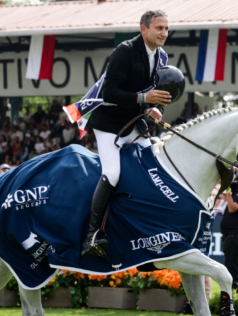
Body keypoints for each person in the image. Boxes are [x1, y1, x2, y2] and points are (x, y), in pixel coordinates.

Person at [82, 10, 172, 257]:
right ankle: (91, 235)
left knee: (154, 170)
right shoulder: (124, 51)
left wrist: (155, 108)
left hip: (134, 124)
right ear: (143, 29)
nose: (164, 33)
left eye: (166, 28)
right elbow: (109, 93)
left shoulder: (161, 56)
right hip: (109, 124)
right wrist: (145, 98)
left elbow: (156, 95)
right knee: (112, 173)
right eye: (159, 28)